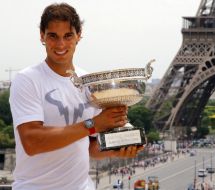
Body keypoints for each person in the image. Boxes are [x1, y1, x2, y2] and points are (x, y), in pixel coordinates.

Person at [9, 3, 143, 190]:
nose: (61, 44)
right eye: (53, 36)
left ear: (79, 35)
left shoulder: (88, 82)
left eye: (68, 36)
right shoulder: (27, 80)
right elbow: (32, 142)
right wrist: (94, 124)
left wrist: (117, 148)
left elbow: (89, 147)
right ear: (42, 36)